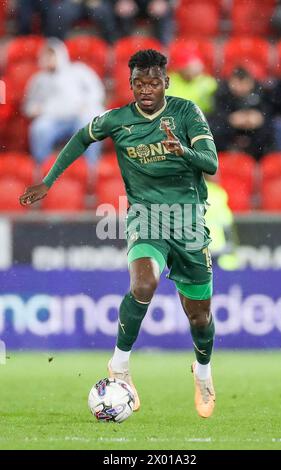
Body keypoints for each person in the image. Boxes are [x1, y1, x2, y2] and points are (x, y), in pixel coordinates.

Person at [20, 49, 218, 418]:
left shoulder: (186, 112)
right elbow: (81, 137)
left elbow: (212, 163)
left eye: (153, 82)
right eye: (139, 83)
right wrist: (48, 181)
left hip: (189, 222)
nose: (146, 89)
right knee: (143, 286)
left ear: (166, 83)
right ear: (130, 84)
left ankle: (203, 373)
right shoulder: (117, 119)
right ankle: (120, 366)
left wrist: (184, 151)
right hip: (146, 218)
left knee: (200, 317)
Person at [23, 38, 105, 165]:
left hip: (78, 115)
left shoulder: (79, 71)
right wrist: (34, 109)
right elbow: (29, 104)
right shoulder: (38, 80)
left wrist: (87, 104)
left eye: (52, 55)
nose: (49, 59)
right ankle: (41, 168)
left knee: (89, 127)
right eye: (46, 56)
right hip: (53, 119)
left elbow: (96, 90)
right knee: (39, 128)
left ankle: (91, 167)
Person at [210, 67, 271, 160]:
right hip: (228, 130)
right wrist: (230, 119)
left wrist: (259, 117)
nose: (240, 88)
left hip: (253, 132)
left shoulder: (261, 91)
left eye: (245, 83)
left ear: (251, 82)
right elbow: (217, 113)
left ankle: (260, 160)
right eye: (237, 83)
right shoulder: (222, 92)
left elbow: (267, 111)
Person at [167, 48, 217, 116]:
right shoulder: (168, 81)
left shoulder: (209, 82)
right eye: (189, 67)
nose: (195, 69)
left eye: (196, 65)